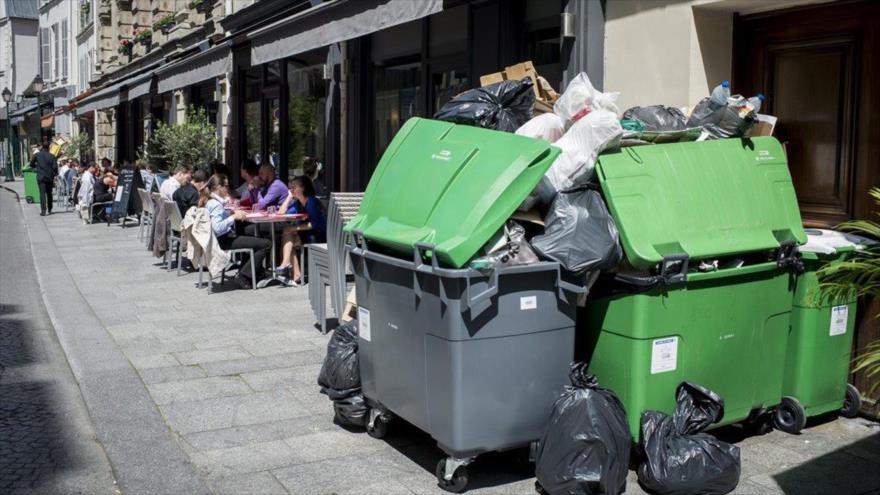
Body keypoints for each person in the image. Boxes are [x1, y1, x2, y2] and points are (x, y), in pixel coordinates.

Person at [201, 174, 271, 290]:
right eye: (226, 186)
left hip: (219, 239)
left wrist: (231, 214)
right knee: (266, 244)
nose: (228, 189)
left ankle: (250, 272)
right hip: (223, 240)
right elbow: (217, 228)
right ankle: (244, 275)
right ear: (219, 187)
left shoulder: (210, 201)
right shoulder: (215, 205)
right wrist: (233, 217)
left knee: (247, 235)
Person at [275, 176, 327, 284]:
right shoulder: (298, 203)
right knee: (288, 235)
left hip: (319, 235)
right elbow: (281, 213)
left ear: (303, 188)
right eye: (291, 187)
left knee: (288, 233)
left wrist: (294, 228)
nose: (291, 189)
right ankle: (293, 271)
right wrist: (289, 197)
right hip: (308, 234)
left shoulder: (312, 201)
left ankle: (290, 269)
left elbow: (315, 224)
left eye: (294, 187)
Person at [30, 142, 58, 216]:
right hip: (49, 177)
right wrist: (55, 174)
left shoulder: (37, 155)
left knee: (42, 194)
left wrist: (36, 166)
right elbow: (55, 167)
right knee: (49, 193)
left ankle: (43, 210)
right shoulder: (52, 156)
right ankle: (50, 208)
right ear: (49, 147)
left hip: (41, 177)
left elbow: (31, 164)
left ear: (42, 147)